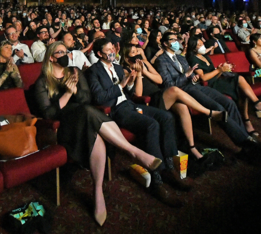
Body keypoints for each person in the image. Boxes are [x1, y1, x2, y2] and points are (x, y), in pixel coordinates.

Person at [33, 41, 164, 226]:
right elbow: (48, 114)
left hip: (85, 119)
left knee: (92, 123)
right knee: (87, 113)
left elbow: (86, 99)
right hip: (63, 126)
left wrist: (76, 90)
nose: (65, 55)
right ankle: (133, 152)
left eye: (66, 51)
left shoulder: (74, 72)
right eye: (60, 52)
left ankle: (97, 192)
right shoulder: (43, 81)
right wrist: (68, 94)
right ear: (52, 57)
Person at [87, 38, 190, 204]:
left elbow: (129, 91)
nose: (112, 51)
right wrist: (120, 86)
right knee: (151, 125)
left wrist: (132, 81)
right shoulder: (94, 71)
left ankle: (168, 168)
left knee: (166, 117)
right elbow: (99, 97)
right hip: (115, 111)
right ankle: (157, 180)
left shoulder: (119, 67)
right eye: (108, 49)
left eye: (113, 48)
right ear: (99, 53)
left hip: (130, 104)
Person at [155, 32, 261, 163]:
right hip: (184, 91)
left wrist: (193, 78)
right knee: (218, 108)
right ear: (165, 43)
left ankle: (246, 138)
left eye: (176, 39)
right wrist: (186, 76)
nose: (176, 42)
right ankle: (245, 144)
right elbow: (168, 84)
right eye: (172, 40)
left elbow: (191, 77)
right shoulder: (161, 60)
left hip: (195, 86)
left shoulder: (181, 58)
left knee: (229, 103)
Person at [120, 43, 224, 174]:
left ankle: (192, 148)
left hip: (160, 94)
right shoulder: (125, 70)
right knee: (175, 90)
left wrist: (145, 70)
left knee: (182, 107)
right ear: (126, 58)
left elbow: (159, 80)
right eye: (133, 53)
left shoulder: (145, 64)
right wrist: (139, 75)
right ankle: (209, 112)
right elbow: (138, 95)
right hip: (148, 103)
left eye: (137, 52)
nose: (137, 55)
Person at [186, 37, 261, 135]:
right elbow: (203, 78)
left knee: (240, 82)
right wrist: (219, 70)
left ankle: (248, 118)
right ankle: (253, 109)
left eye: (202, 44)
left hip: (217, 80)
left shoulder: (205, 56)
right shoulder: (193, 58)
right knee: (240, 82)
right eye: (199, 45)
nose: (203, 47)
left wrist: (223, 69)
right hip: (209, 86)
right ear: (193, 48)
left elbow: (215, 74)